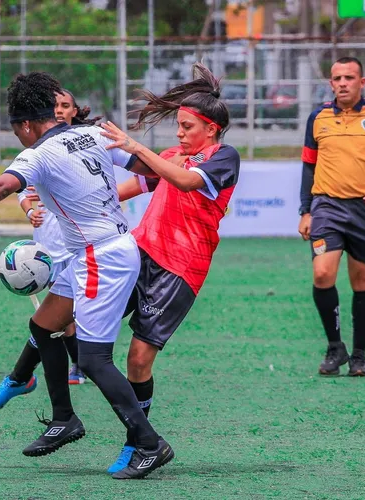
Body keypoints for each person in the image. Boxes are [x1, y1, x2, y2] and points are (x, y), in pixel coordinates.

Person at [0, 71, 174, 480]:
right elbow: (145, 167)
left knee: (94, 361)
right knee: (44, 326)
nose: (18, 139)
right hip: (103, 250)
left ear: (25, 124)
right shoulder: (91, 134)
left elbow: (2, 185)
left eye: (16, 131)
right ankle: (64, 419)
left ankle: (149, 442)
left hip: (100, 257)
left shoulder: (37, 154)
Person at [99, 62, 240, 473]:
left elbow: (184, 181)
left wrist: (135, 147)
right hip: (137, 254)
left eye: (186, 126)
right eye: (177, 125)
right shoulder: (171, 156)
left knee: (138, 360)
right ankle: (49, 396)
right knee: (73, 319)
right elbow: (131, 180)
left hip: (180, 269)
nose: (179, 133)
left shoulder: (223, 157)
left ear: (210, 128)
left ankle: (140, 442)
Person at [0, 90, 99, 413]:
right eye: (55, 106)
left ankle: (35, 376)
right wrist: (29, 210)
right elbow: (21, 189)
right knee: (53, 319)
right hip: (46, 245)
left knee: (58, 317)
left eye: (65, 106)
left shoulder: (84, 143)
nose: (59, 111)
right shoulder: (38, 153)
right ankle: (62, 375)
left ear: (75, 110)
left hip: (81, 245)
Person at [298, 56, 365, 377]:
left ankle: (359, 354)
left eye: (349, 77)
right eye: (337, 78)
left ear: (362, 82)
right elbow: (308, 166)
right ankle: (335, 347)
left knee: (363, 283)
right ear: (330, 83)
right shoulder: (317, 118)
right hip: (327, 208)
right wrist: (305, 210)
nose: (343, 83)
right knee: (322, 275)